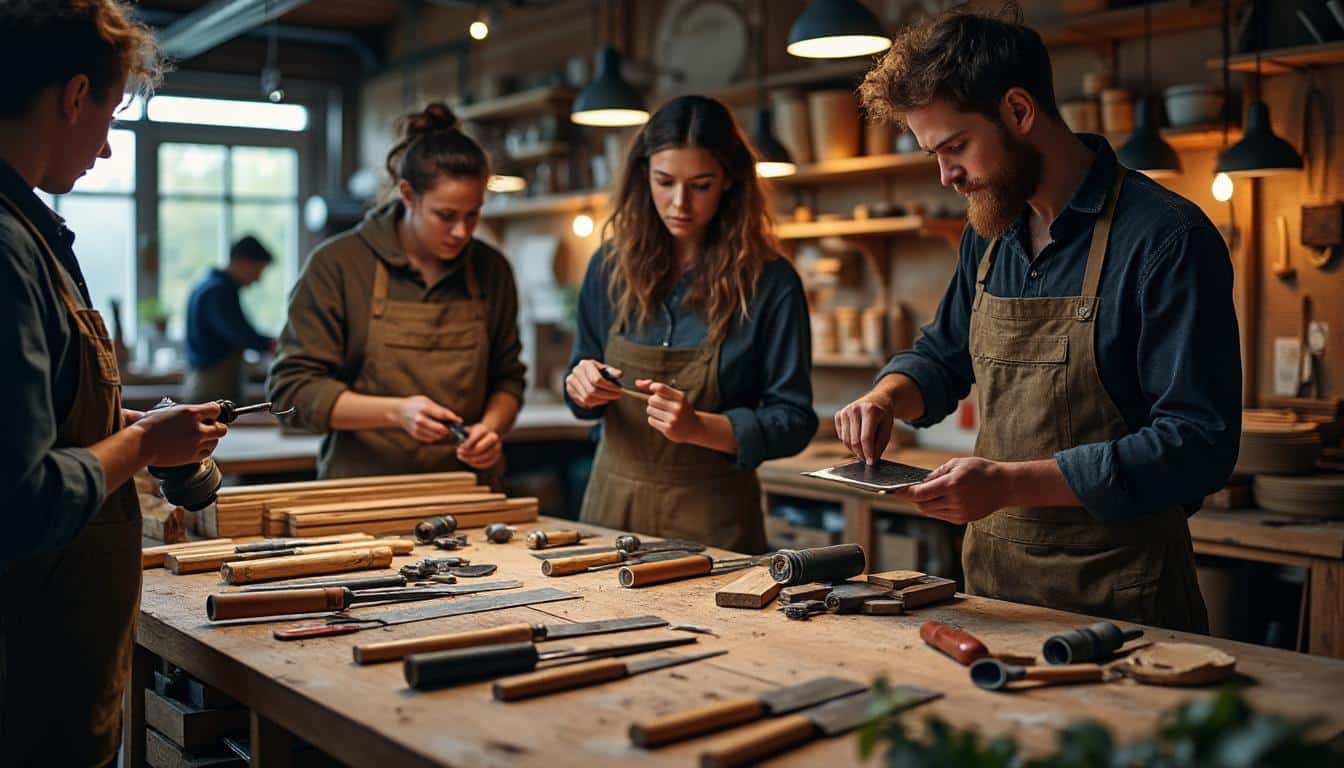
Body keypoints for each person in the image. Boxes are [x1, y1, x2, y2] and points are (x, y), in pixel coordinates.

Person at [836, 7, 1241, 632]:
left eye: (956, 147)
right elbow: (944, 356)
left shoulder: (1166, 238)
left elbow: (1197, 445)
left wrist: (1008, 485)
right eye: (934, 156)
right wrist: (887, 397)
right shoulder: (991, 229)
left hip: (1125, 606)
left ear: (1019, 111)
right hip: (996, 596)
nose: (947, 177)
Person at [0, 2, 228, 764]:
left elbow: (35, 419)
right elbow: (21, 499)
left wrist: (132, 426)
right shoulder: (7, 249)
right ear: (72, 97)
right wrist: (140, 443)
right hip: (25, 683)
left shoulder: (29, 230)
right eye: (109, 115)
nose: (102, 150)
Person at [564, 95, 816, 553]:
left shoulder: (770, 282)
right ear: (644, 176)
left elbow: (794, 420)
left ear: (729, 182)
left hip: (713, 520)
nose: (680, 203)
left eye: (700, 185)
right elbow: (580, 380)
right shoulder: (609, 267)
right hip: (610, 512)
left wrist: (699, 428)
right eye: (665, 181)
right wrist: (581, 386)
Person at [269, 103, 526, 488]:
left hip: (467, 490)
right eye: (445, 215)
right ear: (407, 194)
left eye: (473, 215)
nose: (461, 231)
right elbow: (291, 393)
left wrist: (490, 430)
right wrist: (396, 413)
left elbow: (508, 379)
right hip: (362, 494)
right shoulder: (339, 264)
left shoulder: (491, 269)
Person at [183, 235, 275, 403]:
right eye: (258, 270)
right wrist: (270, 345)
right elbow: (237, 332)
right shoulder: (218, 290)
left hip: (209, 377)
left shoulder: (210, 284)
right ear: (244, 262)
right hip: (213, 380)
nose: (257, 279)